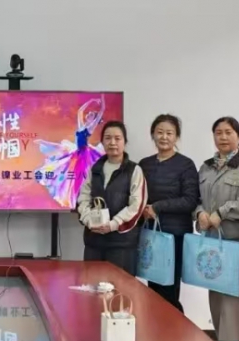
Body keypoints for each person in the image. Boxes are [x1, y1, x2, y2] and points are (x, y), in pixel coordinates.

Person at [194, 117, 239, 341]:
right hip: (212, 240)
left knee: (232, 296)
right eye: (218, 133)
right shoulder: (206, 167)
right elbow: (197, 198)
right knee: (214, 294)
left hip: (236, 240)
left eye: (228, 132)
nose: (223, 137)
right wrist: (200, 213)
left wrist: (221, 213)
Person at [138, 115, 199, 312]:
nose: (164, 137)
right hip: (151, 234)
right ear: (153, 135)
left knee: (169, 289)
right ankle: (156, 327)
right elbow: (137, 195)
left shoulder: (186, 165)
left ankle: (173, 327)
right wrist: (142, 209)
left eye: (169, 133)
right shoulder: (145, 164)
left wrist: (157, 207)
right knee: (153, 288)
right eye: (160, 132)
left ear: (176, 137)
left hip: (175, 237)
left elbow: (190, 200)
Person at [77, 121, 147, 275]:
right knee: (92, 286)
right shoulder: (94, 169)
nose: (112, 142)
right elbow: (83, 197)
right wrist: (88, 220)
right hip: (94, 242)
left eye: (117, 138)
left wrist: (113, 224)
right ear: (102, 142)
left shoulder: (134, 170)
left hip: (121, 245)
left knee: (120, 288)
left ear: (125, 142)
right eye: (108, 138)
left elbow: (136, 205)